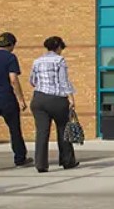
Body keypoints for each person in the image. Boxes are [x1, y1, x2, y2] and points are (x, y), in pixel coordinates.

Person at [30, 36, 78, 173]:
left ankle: (41, 164)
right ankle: (67, 161)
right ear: (59, 47)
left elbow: (32, 81)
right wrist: (71, 98)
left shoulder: (37, 61)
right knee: (63, 129)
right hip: (57, 99)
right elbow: (64, 81)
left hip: (39, 99)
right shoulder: (59, 60)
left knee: (42, 132)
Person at [0, 32, 33, 167]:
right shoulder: (10, 58)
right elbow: (13, 80)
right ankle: (20, 158)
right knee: (14, 130)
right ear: (11, 45)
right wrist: (21, 99)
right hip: (7, 99)